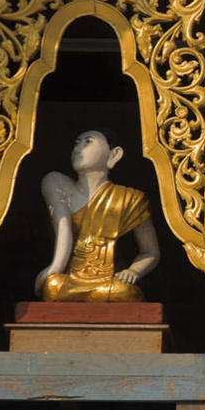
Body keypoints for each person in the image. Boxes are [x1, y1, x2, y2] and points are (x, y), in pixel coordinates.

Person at [35, 129, 160, 302]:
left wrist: (133, 271)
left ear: (114, 154)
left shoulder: (130, 198)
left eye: (88, 141)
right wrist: (54, 269)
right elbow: (63, 229)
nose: (78, 148)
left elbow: (150, 252)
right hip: (70, 281)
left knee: (126, 291)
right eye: (77, 143)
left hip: (108, 283)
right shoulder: (58, 186)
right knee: (52, 285)